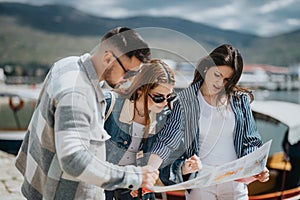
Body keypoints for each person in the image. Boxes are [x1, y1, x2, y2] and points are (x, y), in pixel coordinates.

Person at [15, 27, 159, 200]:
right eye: (129, 72)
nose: (130, 79)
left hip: (41, 184)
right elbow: (73, 160)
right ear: (107, 58)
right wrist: (134, 176)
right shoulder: (77, 94)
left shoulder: (68, 64)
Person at [148, 44, 270, 199]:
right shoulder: (186, 101)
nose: (220, 83)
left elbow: (251, 140)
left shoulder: (240, 100)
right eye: (217, 75)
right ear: (206, 68)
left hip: (235, 182)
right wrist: (148, 172)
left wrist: (256, 167)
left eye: (227, 79)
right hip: (201, 182)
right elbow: (167, 141)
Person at [104, 59, 176, 200]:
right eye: (158, 97)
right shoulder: (109, 104)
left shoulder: (163, 117)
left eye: (169, 97)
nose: (165, 102)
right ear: (141, 89)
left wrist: (184, 168)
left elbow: (163, 158)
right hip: (103, 182)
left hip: (134, 186)